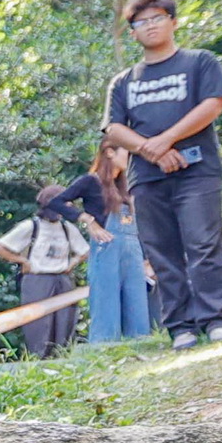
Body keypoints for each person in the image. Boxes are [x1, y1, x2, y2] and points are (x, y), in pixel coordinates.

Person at [98, 0, 222, 348]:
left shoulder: (199, 62)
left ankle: (217, 319)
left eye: (158, 18)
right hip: (147, 176)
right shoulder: (124, 80)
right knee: (162, 252)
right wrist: (150, 150)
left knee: (204, 243)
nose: (151, 26)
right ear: (132, 33)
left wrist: (166, 140)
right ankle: (181, 327)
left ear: (173, 22)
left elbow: (212, 104)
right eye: (141, 22)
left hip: (197, 169)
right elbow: (113, 128)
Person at [48, 141, 154, 345]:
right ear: (109, 152)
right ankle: (104, 348)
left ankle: (140, 344)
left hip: (132, 251)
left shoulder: (125, 186)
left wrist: (147, 259)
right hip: (107, 248)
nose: (131, 158)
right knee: (106, 302)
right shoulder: (90, 181)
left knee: (137, 302)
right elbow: (56, 202)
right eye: (127, 152)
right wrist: (88, 220)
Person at [0, 194, 96, 355]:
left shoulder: (67, 228)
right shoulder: (30, 226)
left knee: (65, 322)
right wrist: (23, 261)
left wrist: (72, 263)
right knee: (38, 325)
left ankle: (62, 358)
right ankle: (39, 359)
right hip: (37, 279)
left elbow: (85, 251)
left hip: (62, 279)